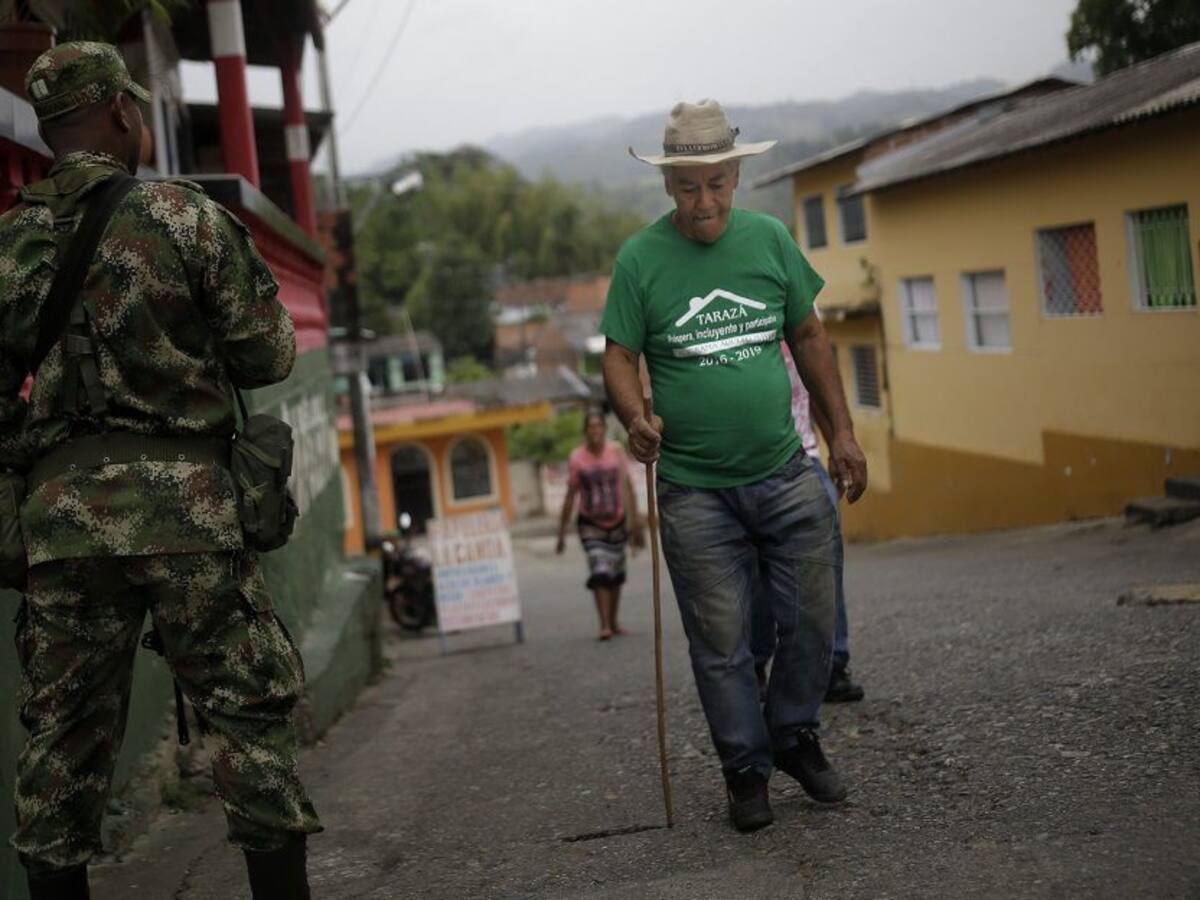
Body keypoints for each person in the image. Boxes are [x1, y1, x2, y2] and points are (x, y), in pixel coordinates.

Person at [0, 43, 320, 899]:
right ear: (120, 112)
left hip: (62, 527)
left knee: (62, 741)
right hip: (192, 518)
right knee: (248, 717)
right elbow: (268, 355)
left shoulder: (10, 240)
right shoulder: (181, 217)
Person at [601, 99, 868, 833]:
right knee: (720, 644)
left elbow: (810, 334)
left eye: (717, 184)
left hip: (786, 471)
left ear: (735, 177)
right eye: (689, 187)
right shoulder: (640, 259)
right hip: (693, 491)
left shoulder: (770, 240)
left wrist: (841, 430)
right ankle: (745, 770)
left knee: (814, 618)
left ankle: (794, 734)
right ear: (667, 186)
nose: (704, 201)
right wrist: (635, 418)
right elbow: (619, 356)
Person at [752, 344, 865, 704]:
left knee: (823, 564)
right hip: (749, 462)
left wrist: (837, 442)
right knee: (755, 572)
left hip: (804, 454)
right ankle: (754, 665)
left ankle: (832, 665)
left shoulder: (801, 306)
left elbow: (815, 381)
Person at [556, 409, 643, 639]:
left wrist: (636, 522)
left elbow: (628, 486)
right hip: (590, 524)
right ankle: (604, 624)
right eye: (590, 427)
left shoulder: (616, 451)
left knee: (615, 574)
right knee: (600, 571)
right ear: (585, 431)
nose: (595, 431)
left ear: (604, 429)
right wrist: (561, 534)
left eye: (598, 426)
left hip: (617, 521)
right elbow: (570, 494)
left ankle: (614, 622)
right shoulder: (577, 458)